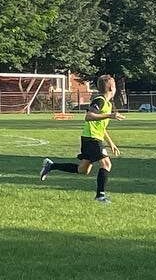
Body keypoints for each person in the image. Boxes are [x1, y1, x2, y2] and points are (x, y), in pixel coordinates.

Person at [41, 74, 122, 203]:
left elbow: (101, 126)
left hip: (92, 138)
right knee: (106, 164)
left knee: (83, 170)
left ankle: (51, 166)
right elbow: (89, 116)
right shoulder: (99, 101)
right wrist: (110, 115)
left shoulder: (107, 104)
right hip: (91, 138)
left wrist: (111, 143)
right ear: (112, 88)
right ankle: (100, 196)